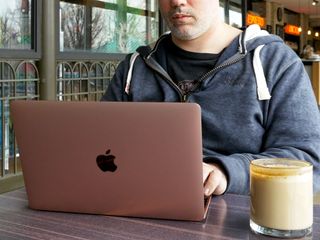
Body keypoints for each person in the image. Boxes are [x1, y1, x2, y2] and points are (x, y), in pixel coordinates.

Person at [101, 0, 320, 196]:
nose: (177, 2)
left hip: (240, 217)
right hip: (140, 207)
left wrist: (225, 172)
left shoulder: (274, 62)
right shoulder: (135, 66)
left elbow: (307, 161)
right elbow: (99, 144)